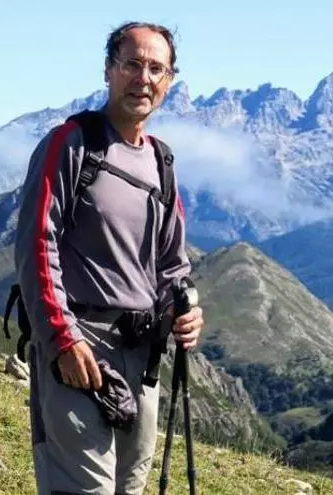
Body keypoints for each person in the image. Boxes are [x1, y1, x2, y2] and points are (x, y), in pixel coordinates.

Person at [13, 21, 205, 495]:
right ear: (108, 70)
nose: (144, 78)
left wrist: (185, 311)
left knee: (129, 488)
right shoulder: (70, 144)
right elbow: (37, 245)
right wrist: (62, 340)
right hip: (80, 346)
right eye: (132, 64)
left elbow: (172, 265)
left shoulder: (162, 163)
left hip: (143, 356)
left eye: (156, 69)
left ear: (170, 81)